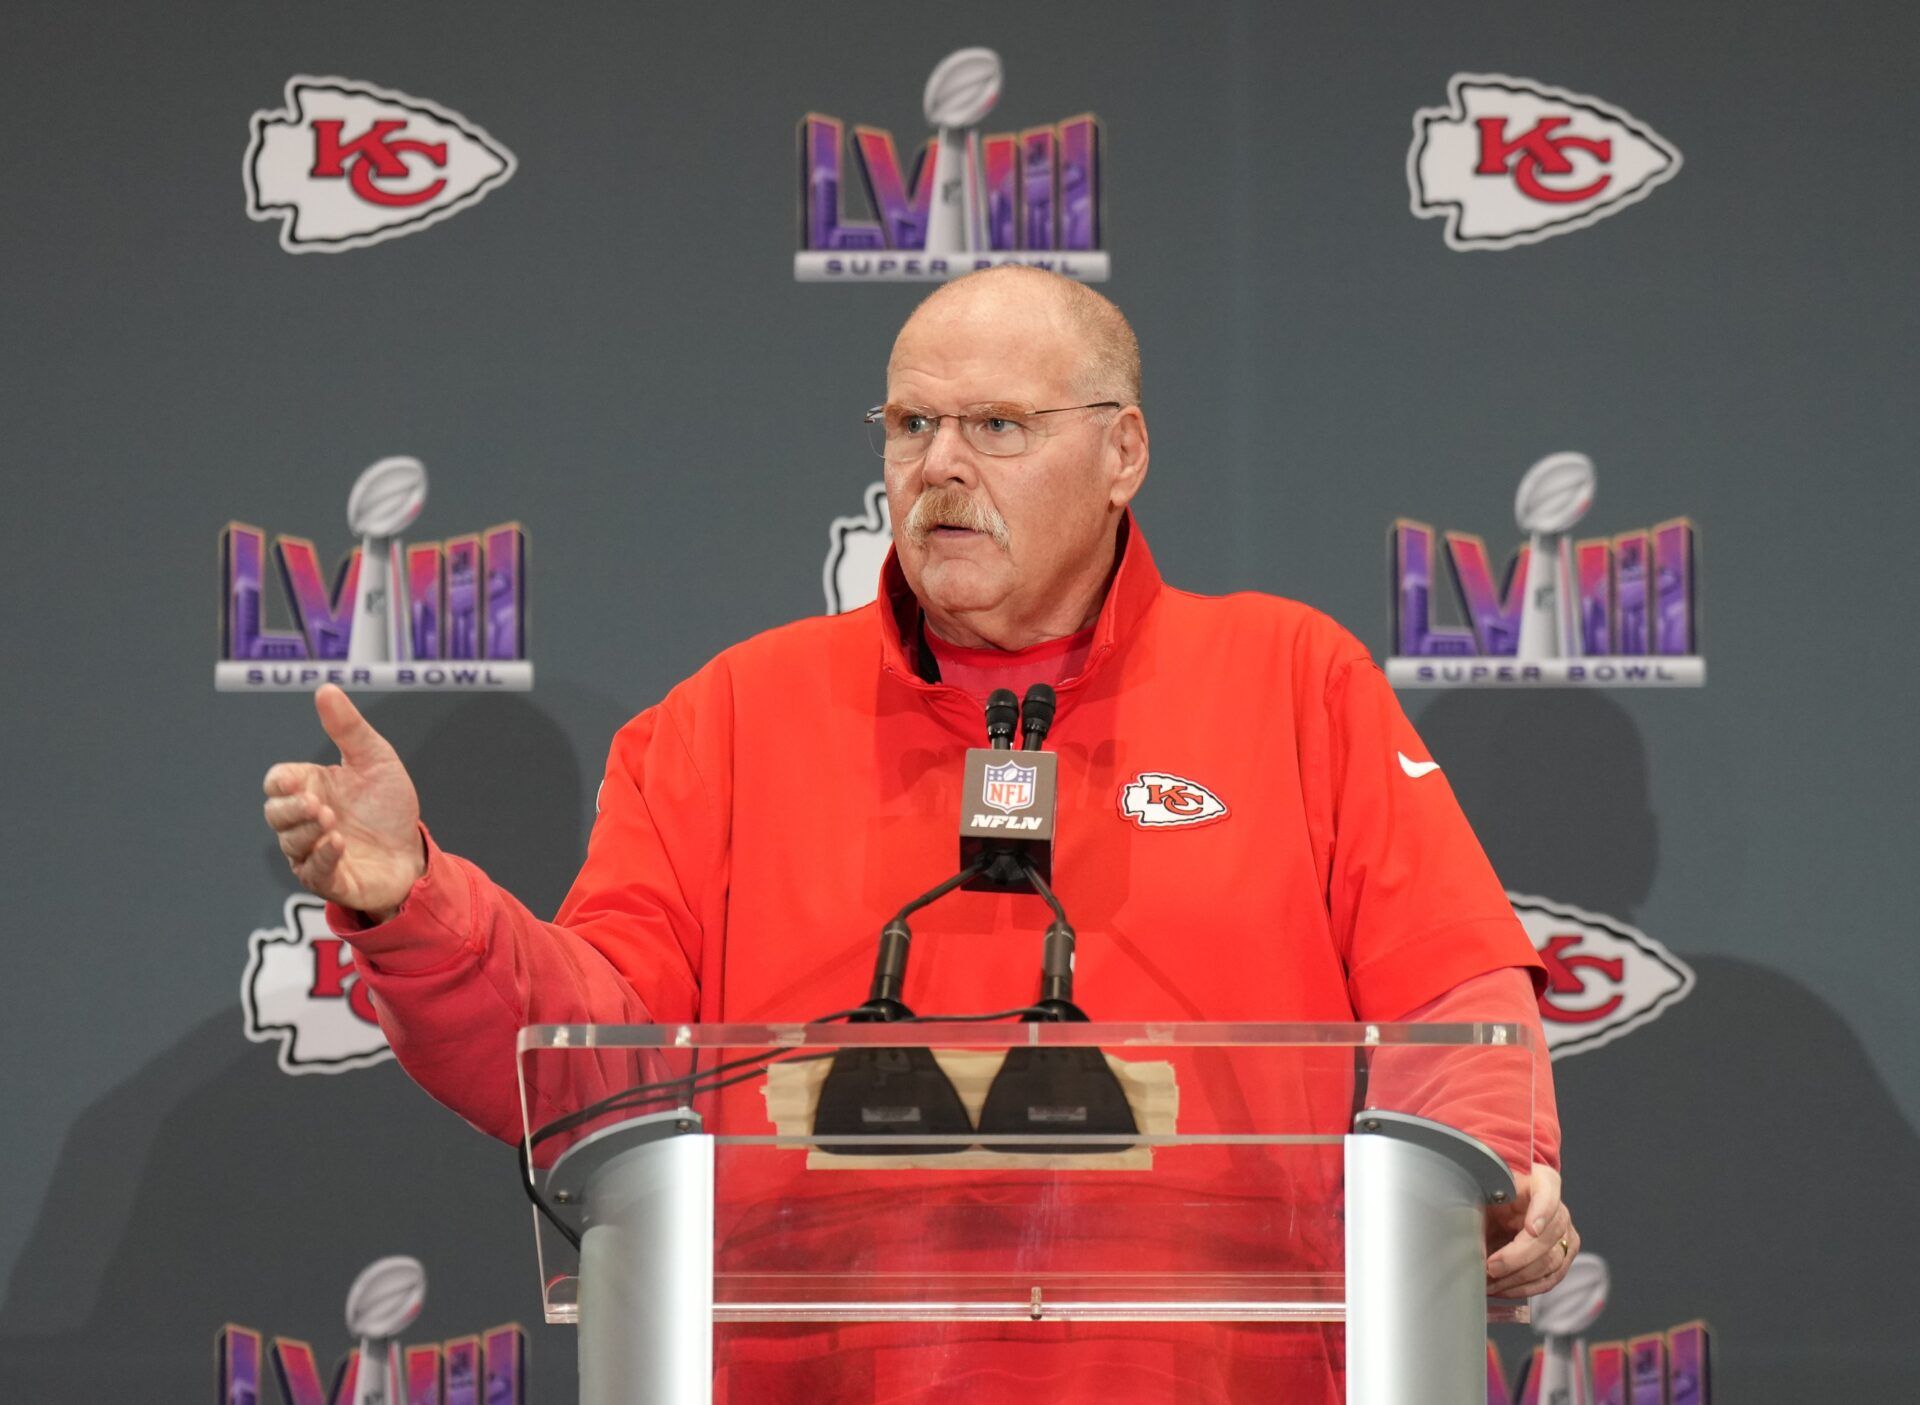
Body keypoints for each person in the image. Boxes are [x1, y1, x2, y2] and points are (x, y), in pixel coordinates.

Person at [262, 266, 1576, 1402]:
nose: (940, 465)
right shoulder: (731, 717)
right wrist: (415, 904)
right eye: (912, 424)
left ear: (1124, 453)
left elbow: (1450, 984)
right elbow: (597, 1059)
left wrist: (1492, 1169)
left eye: (997, 424)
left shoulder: (1294, 679)